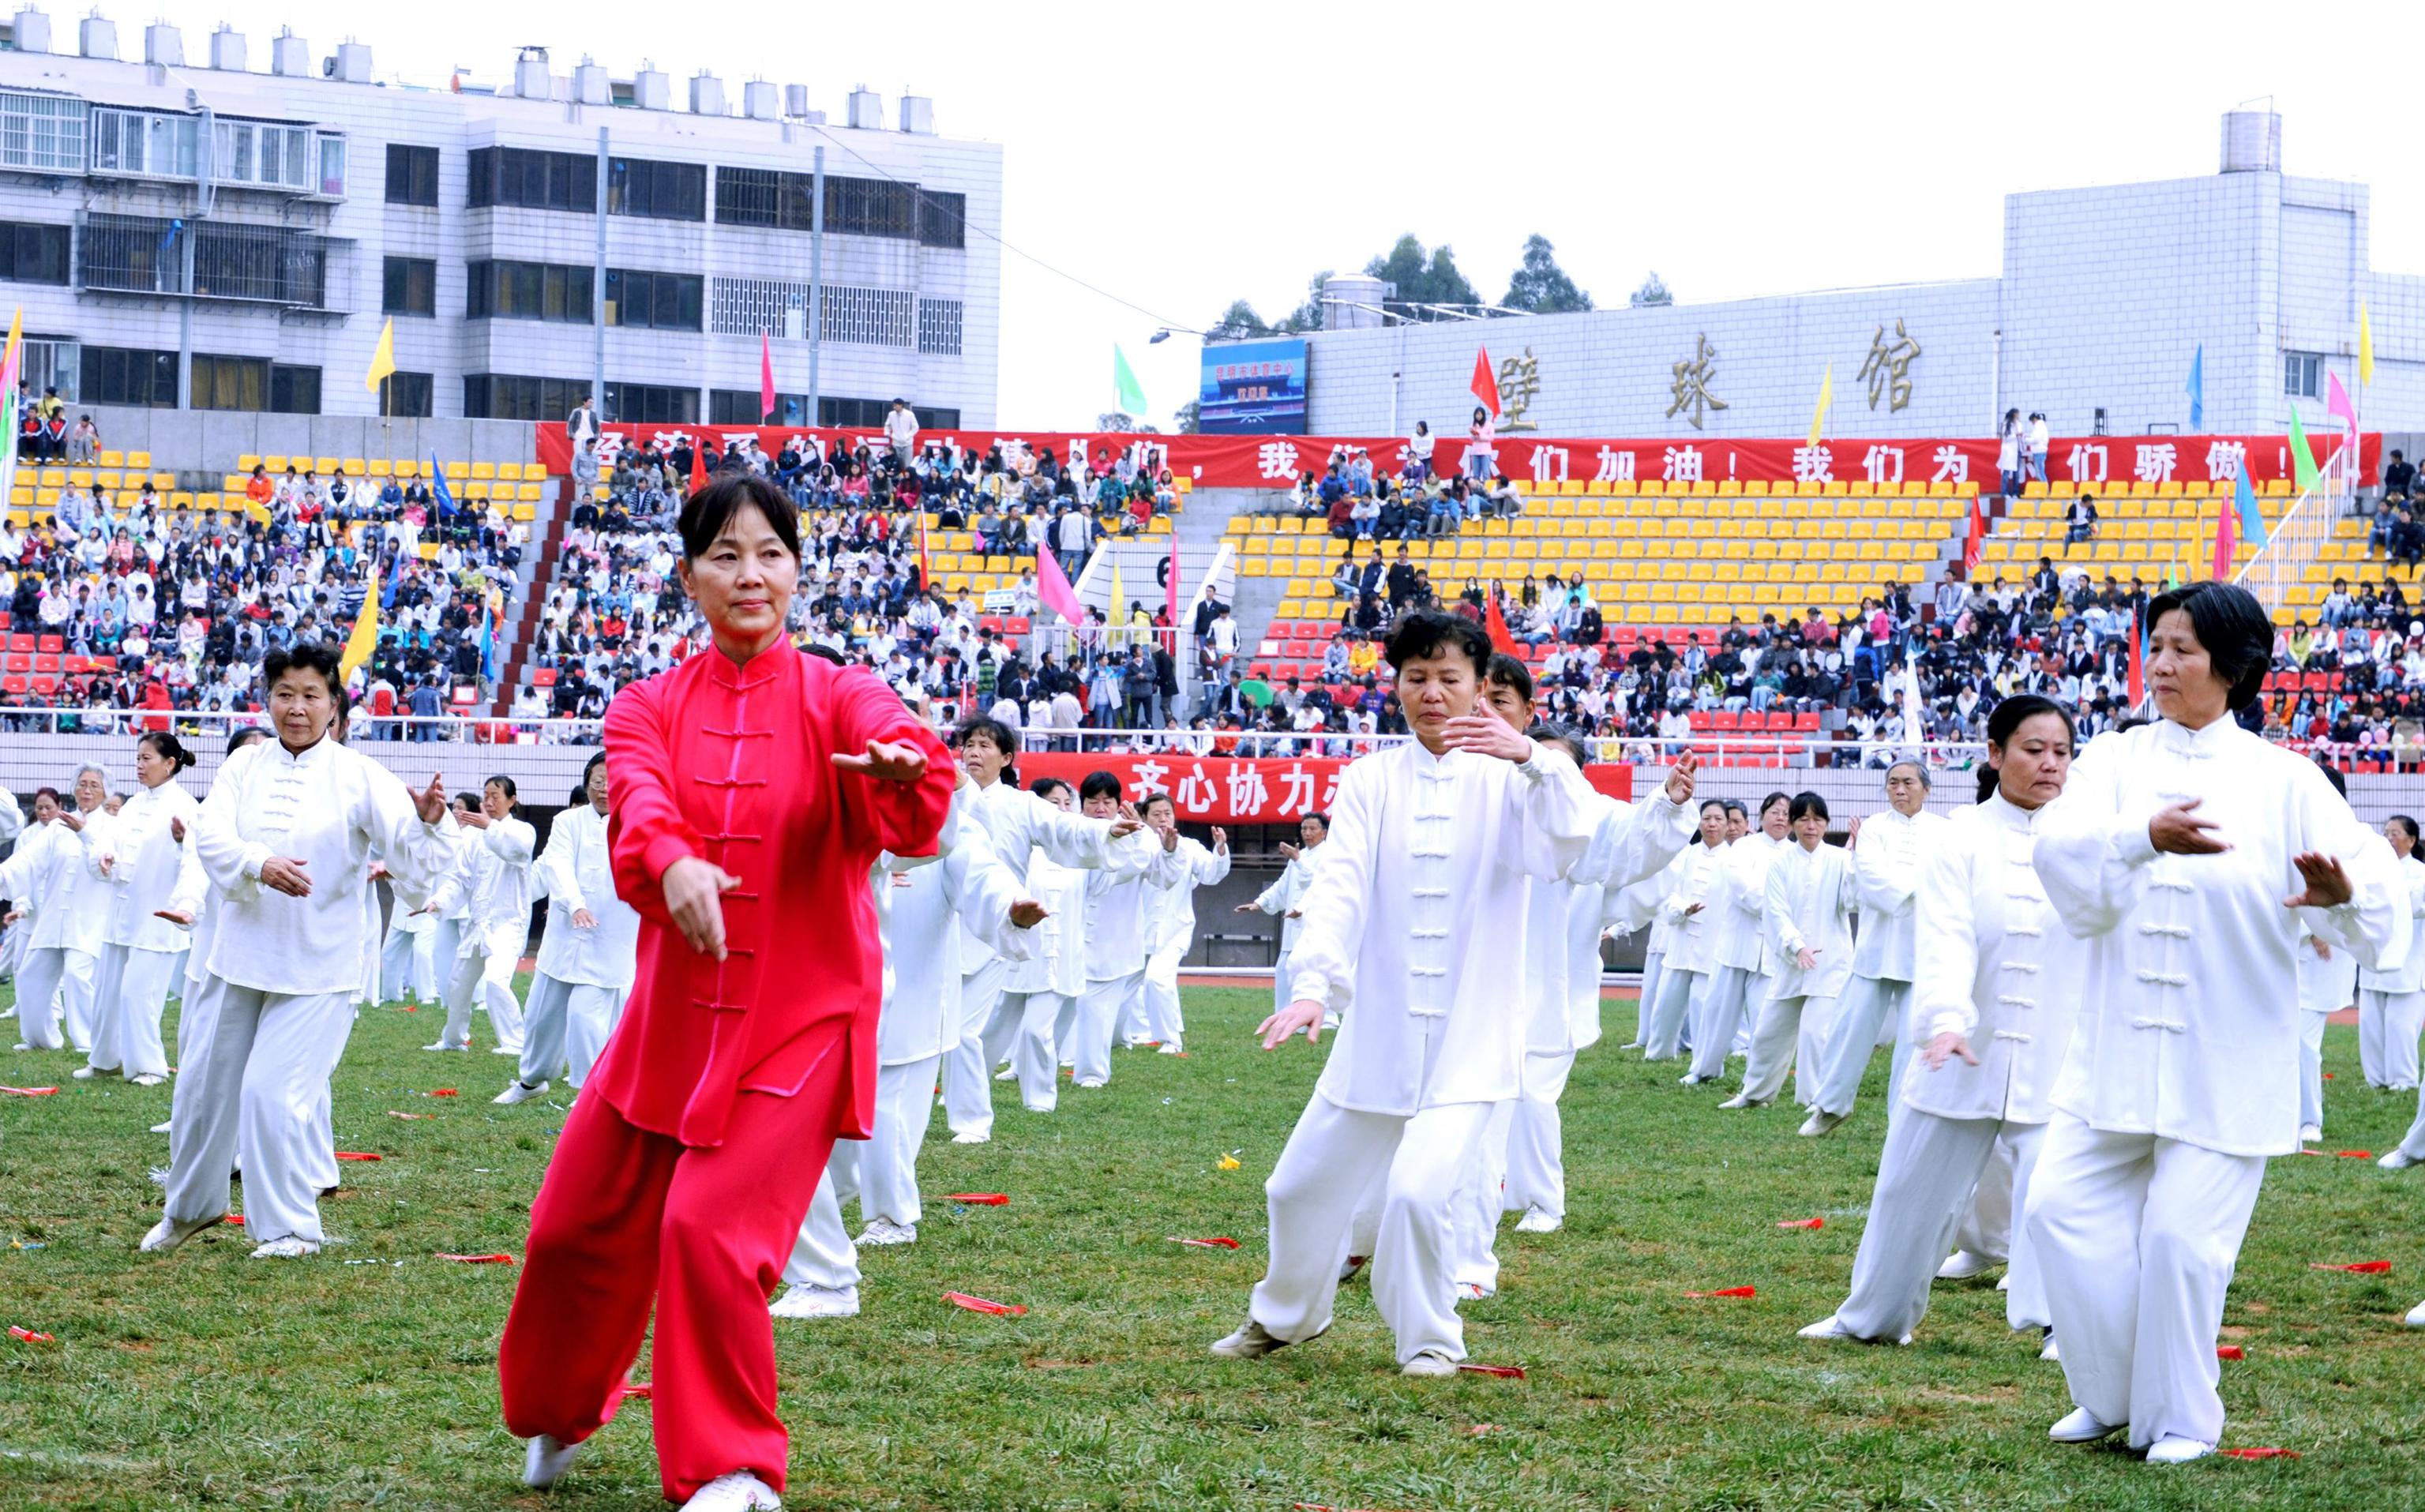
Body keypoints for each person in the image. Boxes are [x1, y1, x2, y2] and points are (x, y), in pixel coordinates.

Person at [499, 474, 956, 1511]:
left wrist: (898, 768)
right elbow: (642, 808)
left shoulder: (840, 692)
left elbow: (915, 778)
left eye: (770, 553)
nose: (750, 574)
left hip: (799, 1023)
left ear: (797, 569)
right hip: (666, 1029)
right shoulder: (646, 704)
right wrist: (671, 864)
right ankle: (560, 1407)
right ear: (688, 574)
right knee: (572, 1228)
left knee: (704, 1230)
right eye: (724, 555)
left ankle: (733, 1465)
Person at [2028, 580, 2400, 1465]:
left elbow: (2370, 897)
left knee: (2179, 1246)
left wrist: (2341, 899)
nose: (2161, 664)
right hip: (2113, 1052)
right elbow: (2057, 850)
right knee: (2055, 1212)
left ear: (2233, 667)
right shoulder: (2114, 763)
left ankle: (2183, 1419)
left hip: (2226, 1060)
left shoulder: (2285, 780)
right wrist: (2138, 837)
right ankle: (2111, 1392)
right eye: (2154, 645)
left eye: (2182, 649)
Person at [1207, 610, 1601, 1376]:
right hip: (1378, 1034)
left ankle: (1427, 1340)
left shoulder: (1510, 778)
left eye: (1448, 678)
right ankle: (1285, 1317)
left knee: (1419, 1197)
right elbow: (1341, 884)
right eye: (1415, 677)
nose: (1430, 693)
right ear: (1393, 685)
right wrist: (1315, 984)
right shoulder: (1368, 779)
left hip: (1468, 1042)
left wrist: (1528, 755)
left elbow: (1569, 836)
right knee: (1293, 1187)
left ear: (1479, 686)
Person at [145, 642, 456, 1261]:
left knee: (271, 1094)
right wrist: (259, 863)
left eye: (311, 695)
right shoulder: (244, 767)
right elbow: (212, 834)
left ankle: (290, 1228)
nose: (297, 708)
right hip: (239, 958)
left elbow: (414, 864)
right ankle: (189, 1208)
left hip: (320, 967)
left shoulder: (362, 774)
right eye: (285, 694)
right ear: (267, 700)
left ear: (333, 705)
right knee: (203, 1090)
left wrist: (426, 824)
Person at [1800, 696, 2081, 1349]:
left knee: (2067, 1202)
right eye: (2032, 749)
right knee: (1907, 1190)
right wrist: (1947, 1018)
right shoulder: (1957, 837)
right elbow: (1946, 935)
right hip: (1959, 1051)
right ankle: (1871, 1316)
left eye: (2061, 752)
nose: (2048, 764)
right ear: (1994, 753)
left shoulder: (2083, 836)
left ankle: (2069, 1328)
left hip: (2057, 1052)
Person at [772, 773, 1041, 1319]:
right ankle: (811, 1225)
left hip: (913, 1004)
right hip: (831, 999)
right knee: (834, 1150)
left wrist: (1010, 907)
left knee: (888, 1120)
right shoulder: (830, 812)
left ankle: (892, 1219)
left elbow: (979, 870)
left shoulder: (940, 822)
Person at [939, 717, 1144, 1142]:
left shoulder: (1019, 804)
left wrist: (1106, 830)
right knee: (935, 1028)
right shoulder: (941, 798)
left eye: (985, 746)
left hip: (996, 929)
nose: (974, 753)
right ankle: (919, 1101)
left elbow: (1064, 826)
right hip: (940, 928)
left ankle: (972, 1123)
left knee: (962, 1031)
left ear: (1007, 758)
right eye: (969, 745)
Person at [1800, 761, 1945, 1137]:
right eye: (1893, 783)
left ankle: (1904, 1120)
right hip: (1876, 948)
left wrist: (1928, 892)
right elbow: (1870, 875)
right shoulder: (1874, 829)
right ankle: (1831, 1107)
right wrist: (1920, 891)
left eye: (1908, 782)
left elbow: (1953, 881)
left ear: (1925, 789)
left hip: (1925, 950)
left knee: (1915, 1040)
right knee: (1849, 1030)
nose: (1900, 789)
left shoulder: (1946, 831)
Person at [497, 752, 640, 1105]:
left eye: (612, 782)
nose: (605, 790)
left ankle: (590, 1091)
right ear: (587, 782)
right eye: (597, 782)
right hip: (564, 936)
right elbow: (558, 864)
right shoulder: (567, 821)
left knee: (585, 1017)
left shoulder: (638, 823)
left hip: (611, 938)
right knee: (541, 1016)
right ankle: (532, 1081)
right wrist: (575, 904)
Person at [78, 733, 201, 1086]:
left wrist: (181, 842)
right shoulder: (132, 804)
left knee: (139, 994)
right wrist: (104, 856)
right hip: (122, 913)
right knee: (107, 991)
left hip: (157, 916)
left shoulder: (186, 806)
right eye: (138, 758)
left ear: (169, 764)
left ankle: (150, 1066)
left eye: (146, 759)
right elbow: (110, 841)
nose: (139, 765)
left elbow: (195, 861)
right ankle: (104, 1060)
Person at [1724, 792, 1853, 1111]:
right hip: (1790, 960)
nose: (1811, 826)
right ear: (1794, 823)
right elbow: (1775, 912)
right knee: (1769, 1030)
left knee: (1816, 1033)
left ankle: (1815, 1099)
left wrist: (1859, 859)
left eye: (1818, 819)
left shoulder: (1841, 860)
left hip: (1829, 963)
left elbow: (1852, 900)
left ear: (1826, 824)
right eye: (1804, 819)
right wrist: (1797, 946)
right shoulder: (1780, 863)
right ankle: (1755, 1094)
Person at [1070, 771, 1188, 1083]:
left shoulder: (1142, 838)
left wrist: (1170, 851)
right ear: (1081, 805)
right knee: (1054, 1004)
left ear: (1119, 805)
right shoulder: (1069, 832)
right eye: (1092, 801)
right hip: (1070, 934)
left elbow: (1162, 877)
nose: (1099, 808)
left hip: (1114, 937)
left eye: (1107, 802)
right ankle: (1034, 1062)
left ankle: (1091, 1073)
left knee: (1099, 1008)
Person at [1683, 792, 1789, 1086]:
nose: (1780, 817)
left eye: (1786, 813)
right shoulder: (1743, 847)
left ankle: (1760, 1077)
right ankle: (1704, 1069)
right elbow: (1745, 891)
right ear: (1762, 816)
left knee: (1765, 1017)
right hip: (1736, 945)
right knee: (1717, 1012)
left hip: (1771, 951)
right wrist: (1778, 905)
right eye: (1774, 812)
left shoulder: (1794, 853)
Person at [425, 776, 535, 1057]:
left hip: (509, 922)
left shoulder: (523, 831)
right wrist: (438, 902)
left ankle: (515, 1042)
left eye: (495, 796)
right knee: (458, 983)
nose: (488, 801)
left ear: (512, 800)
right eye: (485, 795)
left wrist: (491, 828)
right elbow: (460, 879)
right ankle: (453, 1038)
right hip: (479, 922)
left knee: (497, 980)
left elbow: (517, 852)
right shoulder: (473, 837)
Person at [0, 777, 107, 1052]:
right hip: (52, 917)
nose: (87, 790)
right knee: (29, 974)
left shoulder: (113, 825)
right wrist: (3, 876)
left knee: (77, 976)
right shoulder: (59, 826)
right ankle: (40, 1038)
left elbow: (109, 865)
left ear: (105, 792)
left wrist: (86, 835)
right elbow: (29, 860)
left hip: (89, 919)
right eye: (82, 784)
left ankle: (88, 1042)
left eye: (95, 785)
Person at [1132, 795, 1229, 1055]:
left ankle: (1171, 1040)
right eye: (1156, 814)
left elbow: (1211, 875)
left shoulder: (1189, 847)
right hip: (1138, 927)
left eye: (1168, 813)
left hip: (1176, 926)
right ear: (1143, 818)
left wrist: (1220, 850)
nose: (1163, 819)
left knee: (1158, 979)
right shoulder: (1137, 846)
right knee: (1130, 985)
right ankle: (1139, 1032)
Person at [1640, 801, 1729, 1060]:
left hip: (1712, 947)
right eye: (1707, 819)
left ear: (1727, 824)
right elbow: (1669, 895)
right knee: (1666, 1002)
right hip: (1679, 942)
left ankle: (1703, 1058)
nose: (1712, 824)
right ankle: (1658, 1053)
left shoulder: (1735, 860)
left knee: (1704, 1005)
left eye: (1718, 819)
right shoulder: (1685, 855)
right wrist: (1683, 910)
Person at [2354, 814, 2425, 1090]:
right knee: (2371, 1026)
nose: (2389, 838)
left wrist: (2388, 900)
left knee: (2401, 1027)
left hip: (2408, 964)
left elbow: (2416, 904)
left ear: (2412, 840)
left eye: (2395, 833)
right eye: (2386, 832)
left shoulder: (2420, 872)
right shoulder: (2374, 870)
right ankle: (2375, 1080)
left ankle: (2403, 1081)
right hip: (2375, 961)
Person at [1239, 812, 1327, 1020]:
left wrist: (1297, 860)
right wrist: (1259, 902)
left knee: (1312, 972)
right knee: (1285, 969)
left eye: (1313, 829)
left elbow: (1318, 883)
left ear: (1324, 832)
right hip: (1293, 926)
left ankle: (1322, 1017)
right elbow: (1282, 886)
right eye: (1304, 828)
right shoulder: (1301, 855)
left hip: (1315, 924)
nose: (1307, 833)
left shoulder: (1330, 856)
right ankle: (1285, 1015)